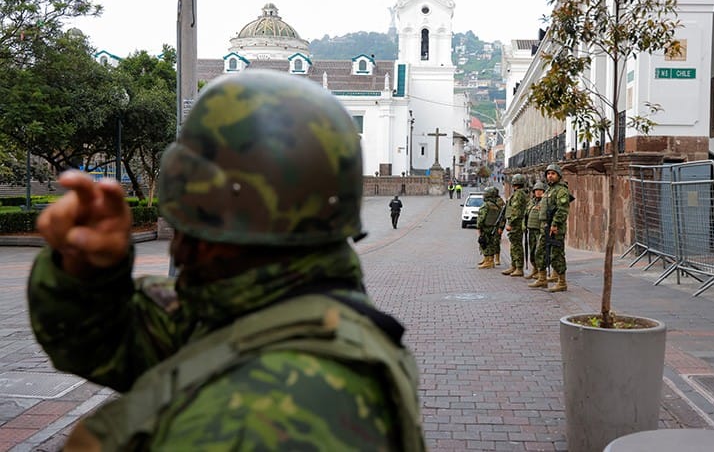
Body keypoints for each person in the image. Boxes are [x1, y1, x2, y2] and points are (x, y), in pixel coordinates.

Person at [27, 71, 426, 451]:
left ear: (218, 208)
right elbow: (104, 339)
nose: (177, 240)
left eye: (186, 205)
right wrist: (87, 270)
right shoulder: (261, 310)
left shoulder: (266, 412)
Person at [536, 163, 572, 292]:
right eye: (548, 174)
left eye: (553, 173)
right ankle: (542, 278)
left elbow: (562, 209)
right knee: (540, 252)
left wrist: (555, 224)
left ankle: (562, 282)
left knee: (556, 255)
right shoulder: (549, 189)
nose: (550, 176)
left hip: (555, 228)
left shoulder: (561, 190)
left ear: (558, 175)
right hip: (545, 226)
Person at [502, 173, 528, 277]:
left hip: (516, 223)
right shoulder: (518, 193)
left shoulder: (519, 194)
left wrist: (511, 223)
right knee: (513, 246)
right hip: (515, 223)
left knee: (516, 246)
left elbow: (516, 211)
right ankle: (514, 266)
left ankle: (519, 268)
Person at [524, 181, 547, 284]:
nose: (538, 192)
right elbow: (525, 215)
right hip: (531, 230)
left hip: (540, 230)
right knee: (532, 251)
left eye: (540, 190)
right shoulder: (531, 202)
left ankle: (541, 272)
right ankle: (535, 269)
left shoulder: (545, 202)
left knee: (539, 252)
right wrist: (524, 225)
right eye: (536, 190)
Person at [476, 186, 503, 269]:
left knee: (485, 243)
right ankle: (488, 259)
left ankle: (489, 262)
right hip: (493, 227)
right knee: (491, 244)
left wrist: (478, 227)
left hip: (486, 227)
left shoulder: (486, 205)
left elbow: (481, 217)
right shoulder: (497, 204)